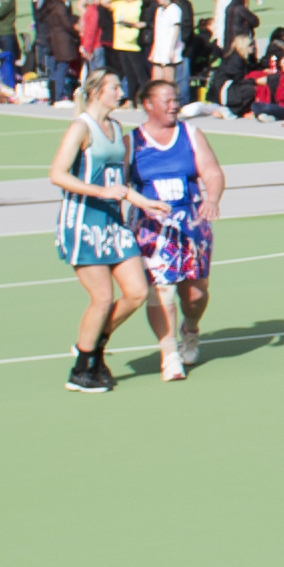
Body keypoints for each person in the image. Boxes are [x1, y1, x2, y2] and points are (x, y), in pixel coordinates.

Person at [45, 72, 155, 390]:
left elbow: (116, 183)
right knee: (103, 297)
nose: (122, 92)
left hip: (113, 222)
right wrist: (98, 192)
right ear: (96, 92)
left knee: (136, 292)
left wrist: (144, 201)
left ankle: (93, 345)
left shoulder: (117, 128)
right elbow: (57, 174)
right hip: (84, 222)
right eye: (115, 88)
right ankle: (81, 370)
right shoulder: (81, 127)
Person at [118, 61, 222, 375]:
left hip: (190, 221)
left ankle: (190, 328)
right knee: (160, 288)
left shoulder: (190, 134)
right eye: (166, 100)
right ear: (147, 105)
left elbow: (213, 172)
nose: (174, 105)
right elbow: (118, 183)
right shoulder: (132, 142)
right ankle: (169, 354)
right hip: (151, 226)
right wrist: (139, 202)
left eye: (176, 99)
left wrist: (212, 198)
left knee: (195, 292)